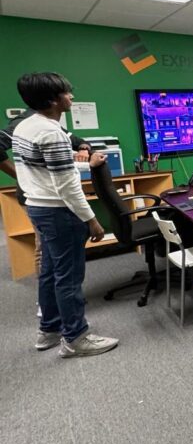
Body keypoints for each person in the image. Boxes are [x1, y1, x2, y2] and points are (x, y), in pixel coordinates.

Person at [11, 73, 118, 357]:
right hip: (59, 211)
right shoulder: (51, 133)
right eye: (67, 93)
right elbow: (67, 186)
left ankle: (49, 330)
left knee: (50, 271)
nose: (71, 97)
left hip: (38, 206)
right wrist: (91, 220)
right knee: (69, 277)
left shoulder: (26, 126)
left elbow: (47, 166)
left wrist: (80, 160)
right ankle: (76, 338)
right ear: (52, 100)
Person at [1, 107, 93, 275]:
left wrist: (84, 148)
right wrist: (20, 175)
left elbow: (78, 141)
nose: (71, 97)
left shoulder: (48, 123)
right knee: (45, 247)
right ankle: (46, 287)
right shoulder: (24, 123)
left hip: (52, 194)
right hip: (36, 196)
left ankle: (53, 287)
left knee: (57, 248)